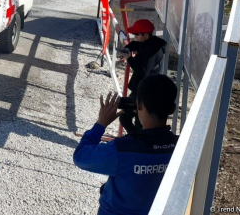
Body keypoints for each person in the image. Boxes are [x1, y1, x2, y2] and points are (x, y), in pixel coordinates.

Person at [73, 74, 179, 215]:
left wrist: (101, 124)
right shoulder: (181, 148)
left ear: (139, 104)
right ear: (172, 109)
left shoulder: (122, 149)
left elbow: (80, 156)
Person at [118, 19, 167, 133]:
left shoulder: (153, 50)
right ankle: (137, 140)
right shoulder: (149, 42)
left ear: (146, 35)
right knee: (128, 118)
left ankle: (137, 141)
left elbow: (144, 71)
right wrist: (127, 49)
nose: (135, 36)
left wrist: (129, 58)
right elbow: (136, 44)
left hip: (145, 90)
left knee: (132, 120)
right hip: (141, 88)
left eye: (136, 34)